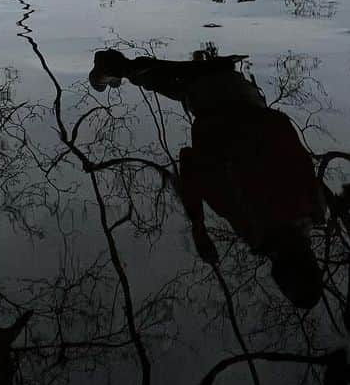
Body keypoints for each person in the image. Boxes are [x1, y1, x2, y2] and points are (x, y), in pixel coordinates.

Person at [89, 47, 326, 309]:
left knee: (167, 80)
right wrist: (198, 225)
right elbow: (189, 160)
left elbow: (286, 139)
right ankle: (115, 68)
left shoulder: (313, 208)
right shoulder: (251, 217)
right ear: (279, 272)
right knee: (154, 77)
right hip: (210, 99)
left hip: (241, 94)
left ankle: (122, 70)